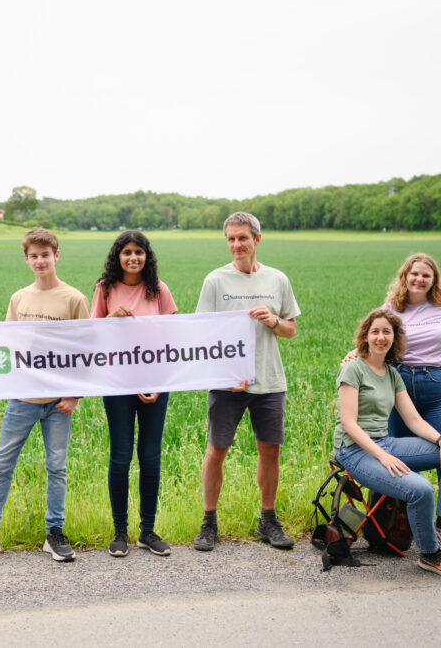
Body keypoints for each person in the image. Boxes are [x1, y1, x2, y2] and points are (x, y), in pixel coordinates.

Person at [345, 253, 441, 559]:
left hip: (436, 387)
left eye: (426, 275)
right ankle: (393, 532)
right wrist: (351, 355)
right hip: (397, 386)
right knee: (397, 462)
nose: (419, 279)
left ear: (434, 280)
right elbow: (374, 334)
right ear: (404, 277)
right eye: (414, 274)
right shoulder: (391, 308)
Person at [0, 228, 90, 562]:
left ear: (56, 255)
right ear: (26, 259)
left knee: (56, 466)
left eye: (46, 254)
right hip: (22, 399)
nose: (40, 261)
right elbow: (6, 341)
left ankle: (54, 534)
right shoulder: (19, 298)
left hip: (58, 402)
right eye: (34, 255)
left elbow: (85, 350)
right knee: (3, 463)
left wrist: (74, 395)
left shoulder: (73, 298)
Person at [334, 308, 441, 580]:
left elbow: (412, 419)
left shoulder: (391, 374)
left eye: (387, 332)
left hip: (384, 443)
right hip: (354, 450)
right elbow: (349, 423)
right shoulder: (352, 368)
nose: (380, 337)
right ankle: (429, 555)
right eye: (375, 331)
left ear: (395, 338)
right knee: (420, 489)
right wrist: (382, 456)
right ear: (365, 335)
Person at [192, 211, 299, 552]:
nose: (236, 245)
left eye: (242, 238)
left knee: (270, 451)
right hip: (227, 385)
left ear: (257, 239)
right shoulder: (215, 281)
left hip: (269, 381)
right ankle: (209, 523)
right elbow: (202, 334)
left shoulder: (277, 280)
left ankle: (268, 520)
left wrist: (274, 320)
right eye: (231, 239)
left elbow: (291, 330)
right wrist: (225, 374)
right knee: (216, 451)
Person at [91, 231, 178, 557]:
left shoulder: (159, 290)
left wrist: (158, 383)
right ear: (118, 256)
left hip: (155, 384)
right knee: (120, 456)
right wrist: (110, 319)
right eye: (127, 252)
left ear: (146, 256)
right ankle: (119, 533)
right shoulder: (105, 288)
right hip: (117, 384)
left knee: (151, 457)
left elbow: (173, 339)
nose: (133, 257)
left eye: (139, 252)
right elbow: (90, 335)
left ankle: (147, 531)